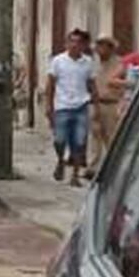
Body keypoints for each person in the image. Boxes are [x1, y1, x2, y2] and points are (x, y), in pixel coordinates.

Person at [45, 29, 98, 187]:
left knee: (79, 142)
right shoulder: (58, 61)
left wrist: (97, 106)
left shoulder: (88, 62)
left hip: (81, 106)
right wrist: (49, 105)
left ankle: (74, 175)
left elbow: (92, 84)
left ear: (83, 45)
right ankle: (61, 160)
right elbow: (50, 84)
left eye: (78, 42)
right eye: (71, 41)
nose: (75, 45)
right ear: (67, 43)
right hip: (62, 106)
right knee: (59, 140)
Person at [86, 35, 122, 180]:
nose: (100, 49)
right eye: (98, 45)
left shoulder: (119, 63)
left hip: (111, 104)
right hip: (95, 102)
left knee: (111, 137)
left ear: (110, 48)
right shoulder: (93, 64)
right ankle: (93, 167)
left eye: (104, 45)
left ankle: (113, 166)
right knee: (95, 136)